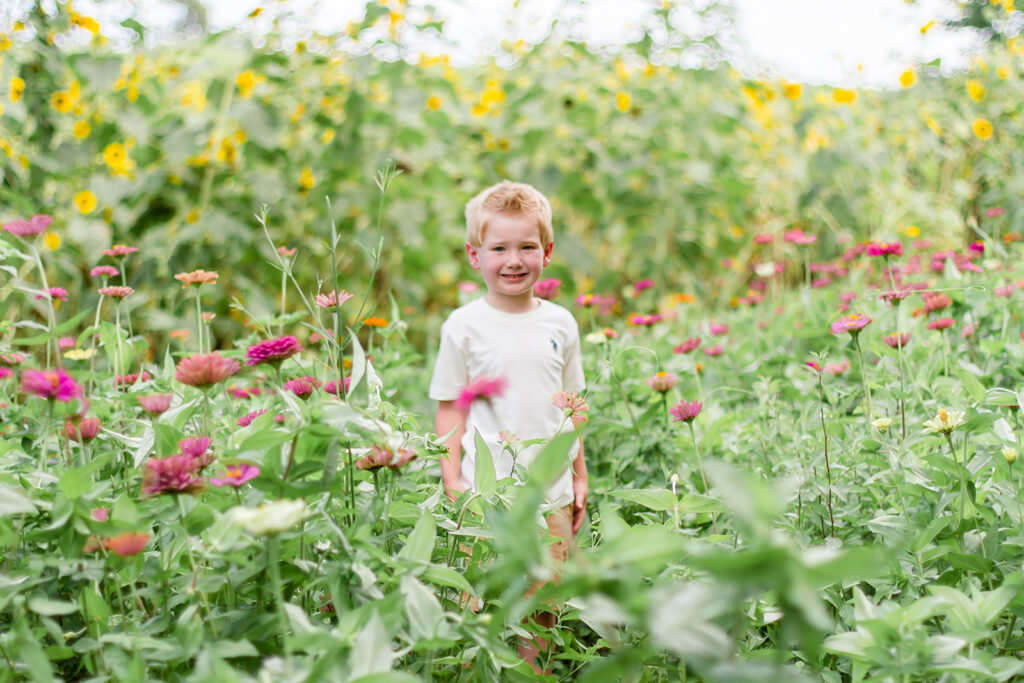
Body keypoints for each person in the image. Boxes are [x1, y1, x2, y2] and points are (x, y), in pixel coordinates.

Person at [429, 180, 588, 673]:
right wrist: (451, 477)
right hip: (486, 497)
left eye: (527, 246)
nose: (513, 260)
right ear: (475, 255)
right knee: (485, 600)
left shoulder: (560, 323)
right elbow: (451, 407)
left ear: (548, 251)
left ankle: (533, 674)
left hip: (550, 495)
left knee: (542, 607)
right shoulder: (463, 326)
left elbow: (572, 406)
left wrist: (581, 474)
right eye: (499, 248)